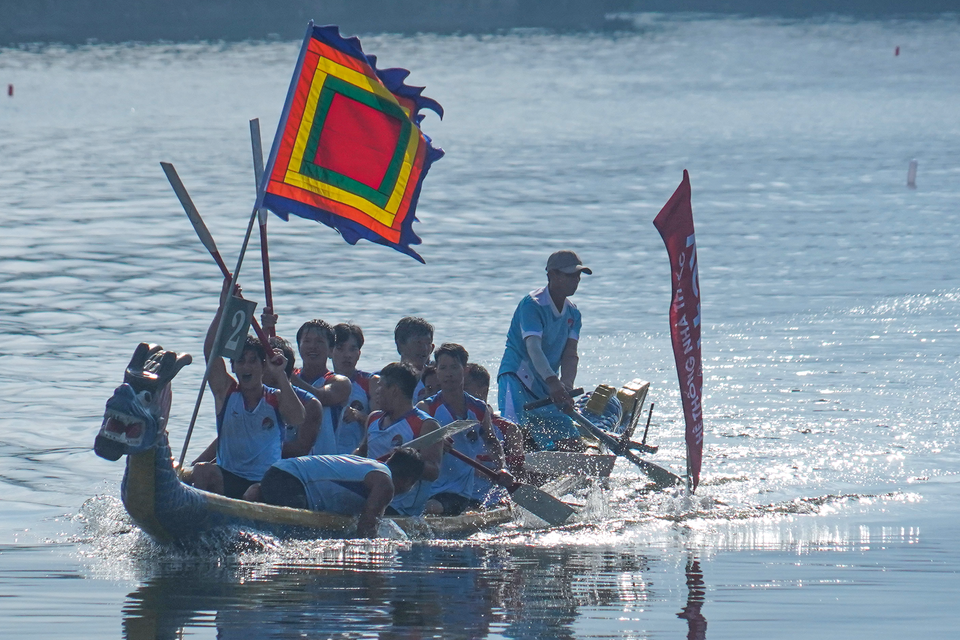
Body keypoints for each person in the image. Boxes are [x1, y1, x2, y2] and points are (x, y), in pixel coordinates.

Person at [190, 279, 306, 499]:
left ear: (263, 366)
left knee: (253, 493)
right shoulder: (226, 392)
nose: (247, 367)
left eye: (253, 361)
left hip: (263, 483)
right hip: (229, 476)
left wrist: (280, 375)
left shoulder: (276, 398)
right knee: (203, 469)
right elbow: (211, 352)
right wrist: (223, 308)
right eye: (241, 361)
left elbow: (298, 418)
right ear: (232, 367)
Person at [498, 250, 591, 451]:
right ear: (553, 275)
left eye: (578, 275)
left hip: (547, 385)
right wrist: (553, 381)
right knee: (515, 439)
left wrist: (566, 385)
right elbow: (533, 348)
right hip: (516, 380)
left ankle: (558, 471)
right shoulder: (532, 305)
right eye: (570, 275)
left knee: (573, 445)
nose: (576, 280)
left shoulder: (574, 313)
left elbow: (570, 354)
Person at [419, 343, 507, 516]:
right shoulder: (426, 408)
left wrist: (502, 469)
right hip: (427, 487)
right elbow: (413, 446)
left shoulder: (478, 409)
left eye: (454, 367)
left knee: (430, 508)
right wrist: (431, 444)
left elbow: (492, 442)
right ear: (436, 371)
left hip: (459, 491)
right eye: (443, 368)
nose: (448, 373)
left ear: (464, 370)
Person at [254, 449, 425, 537]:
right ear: (409, 481)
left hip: (278, 472)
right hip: (289, 480)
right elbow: (367, 528)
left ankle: (255, 494)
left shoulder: (372, 466)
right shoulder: (385, 484)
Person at [356, 362, 443, 516]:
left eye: (380, 386)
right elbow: (361, 453)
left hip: (401, 509)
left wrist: (409, 461)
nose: (376, 392)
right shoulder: (373, 418)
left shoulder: (426, 425)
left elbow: (434, 472)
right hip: (369, 498)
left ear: (394, 390)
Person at [293, 319, 352, 455]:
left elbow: (320, 397)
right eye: (307, 341)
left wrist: (285, 378)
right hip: (292, 462)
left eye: (319, 341)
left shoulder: (340, 382)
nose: (312, 346)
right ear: (299, 346)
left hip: (325, 465)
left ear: (331, 350)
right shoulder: (290, 376)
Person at [464, 362, 527, 485]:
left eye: (465, 387)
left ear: (483, 391)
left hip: (493, 495)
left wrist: (488, 471)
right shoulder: (452, 423)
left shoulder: (508, 429)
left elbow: (517, 471)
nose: (459, 392)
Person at [331, 323, 380, 456]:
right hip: (327, 458)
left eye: (353, 349)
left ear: (359, 354)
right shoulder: (320, 383)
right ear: (330, 352)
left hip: (358, 458)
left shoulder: (371, 382)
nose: (347, 355)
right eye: (340, 348)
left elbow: (382, 427)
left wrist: (360, 417)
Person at [270, 336, 322, 458]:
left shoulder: (310, 404)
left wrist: (254, 446)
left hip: (290, 470)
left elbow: (300, 449)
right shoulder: (251, 395)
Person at [393, 316, 434, 402]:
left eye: (428, 343)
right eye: (418, 343)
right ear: (400, 345)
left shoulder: (438, 378)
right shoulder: (384, 380)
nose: (424, 348)